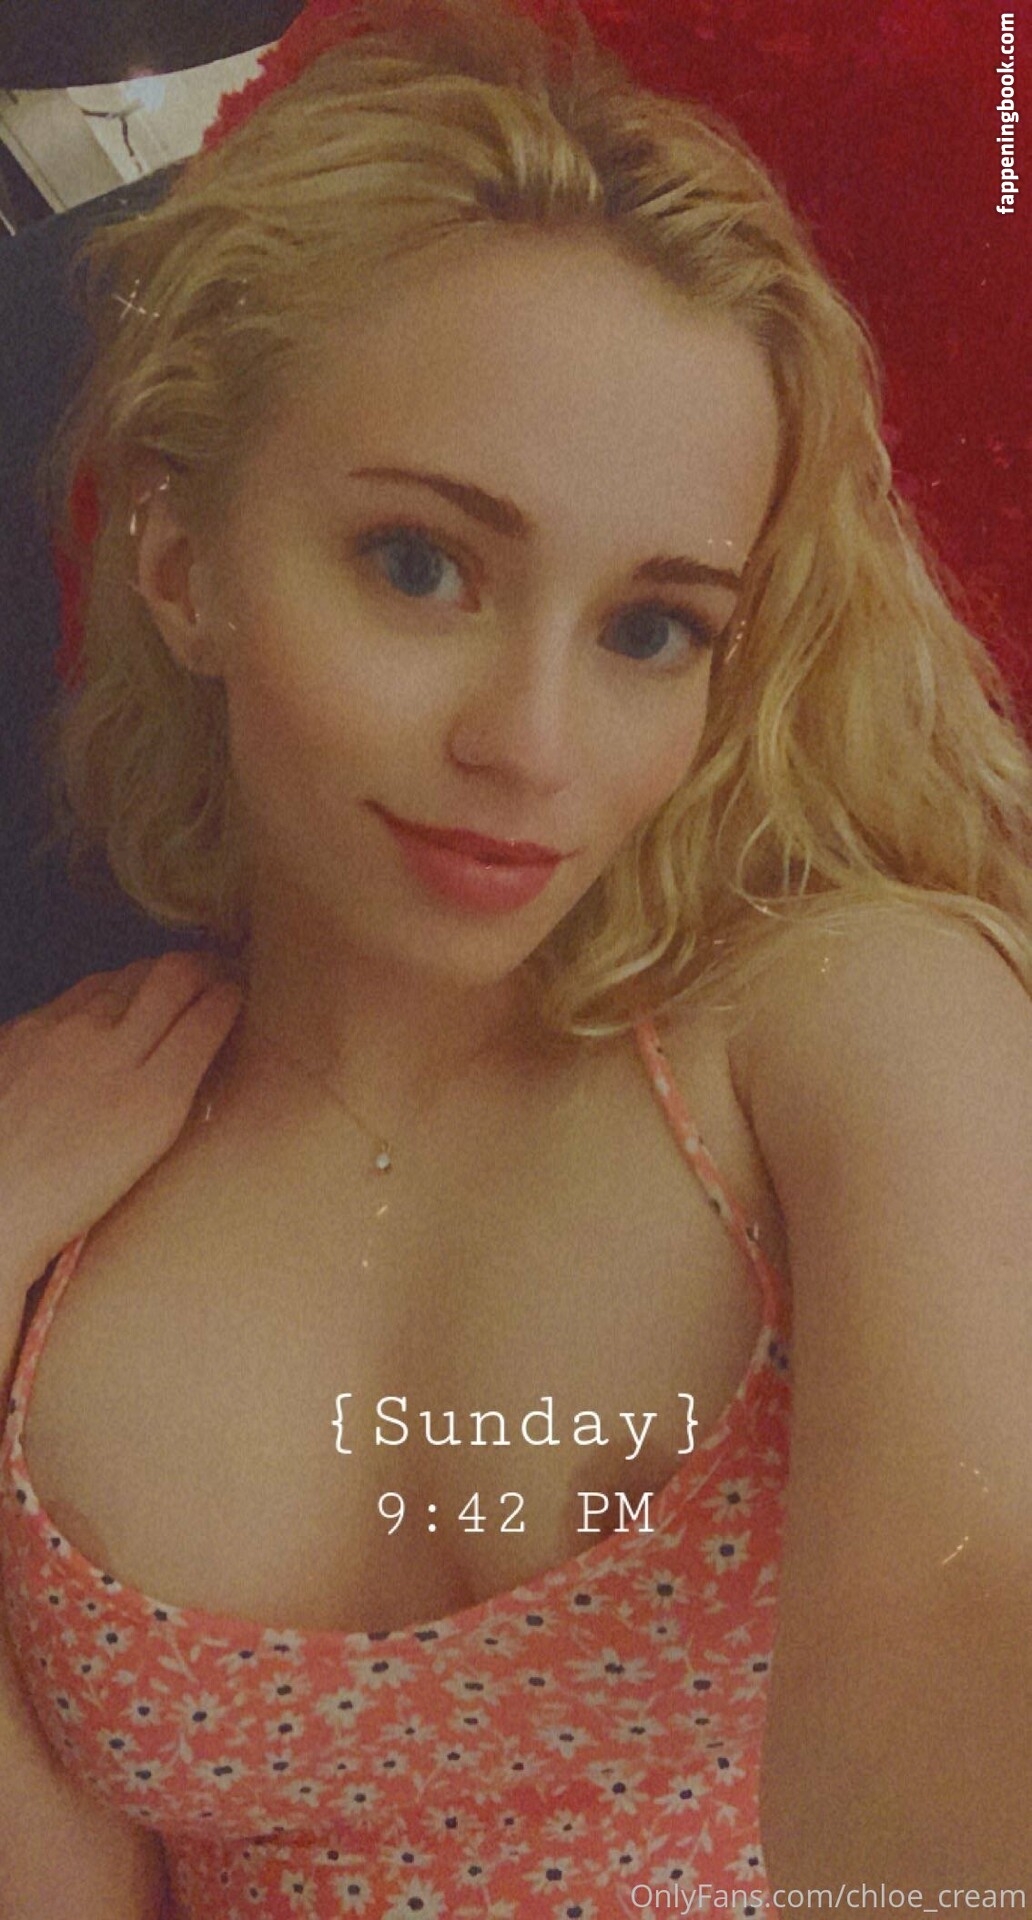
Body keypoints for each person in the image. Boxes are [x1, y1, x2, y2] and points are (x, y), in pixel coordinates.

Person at [1, 0, 1031, 1914]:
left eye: (652, 628)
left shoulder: (849, 1032)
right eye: (420, 565)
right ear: (180, 554)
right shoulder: (51, 1189)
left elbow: (968, 1682)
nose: (532, 748)